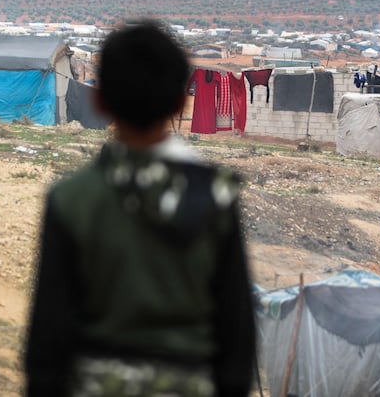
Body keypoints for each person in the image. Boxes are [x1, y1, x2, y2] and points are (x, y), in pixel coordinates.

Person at [24, 20, 256, 397]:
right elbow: (236, 325)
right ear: (182, 101)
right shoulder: (216, 194)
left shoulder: (72, 198)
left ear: (100, 101)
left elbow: (50, 329)